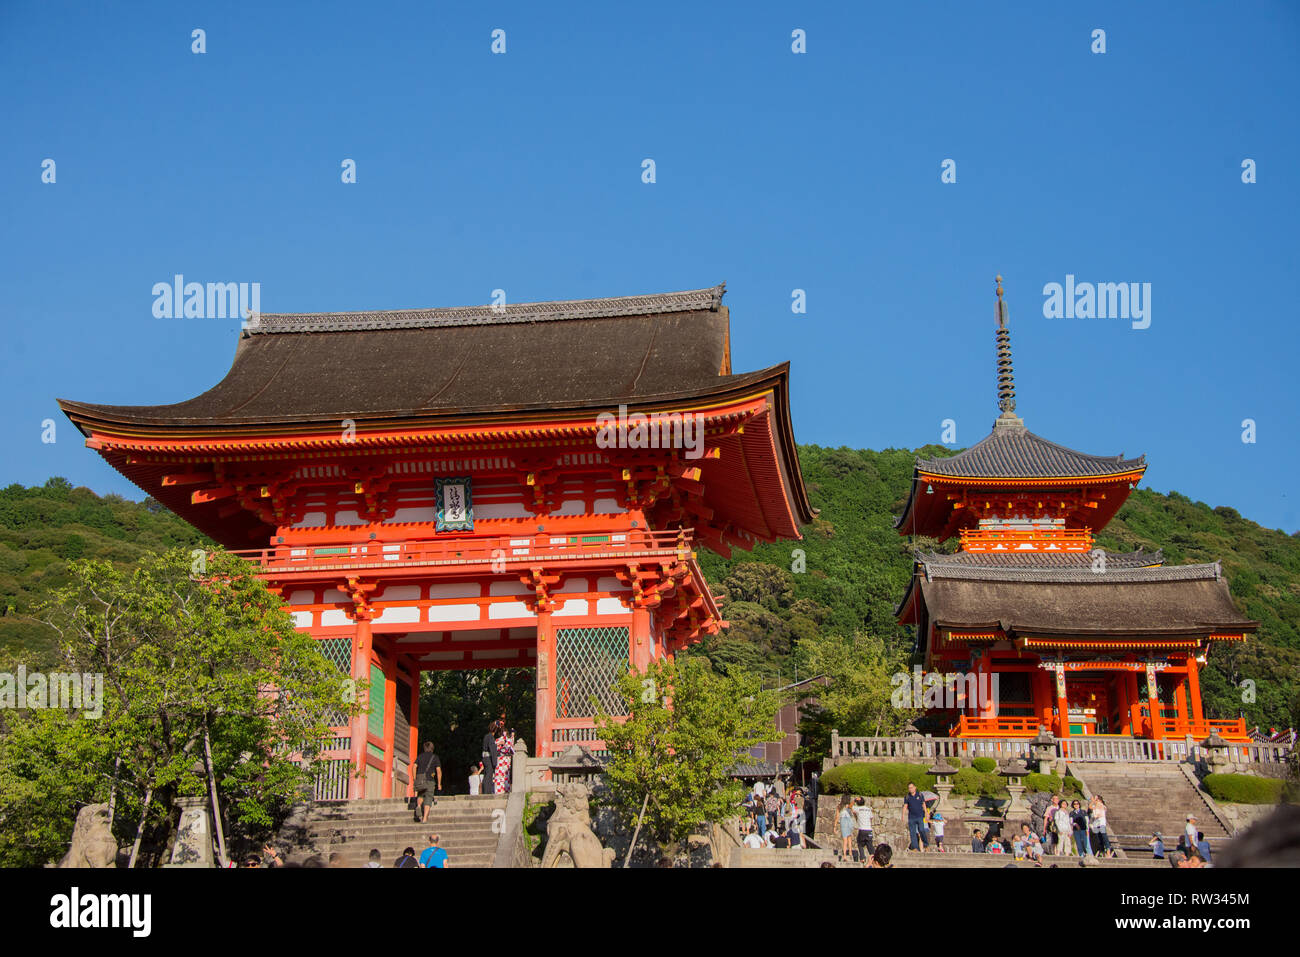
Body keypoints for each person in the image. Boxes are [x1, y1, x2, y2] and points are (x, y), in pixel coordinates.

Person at [413, 741, 441, 823]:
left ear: (424, 748)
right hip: (430, 780)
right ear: (432, 748)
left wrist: (415, 778)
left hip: (420, 779)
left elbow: (414, 766)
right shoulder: (435, 757)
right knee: (428, 798)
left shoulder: (420, 756)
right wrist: (439, 783)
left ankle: (418, 805)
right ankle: (425, 818)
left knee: (421, 795)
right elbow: (438, 770)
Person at [903, 782, 928, 852]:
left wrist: (926, 813)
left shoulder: (920, 795)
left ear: (915, 787)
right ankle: (915, 847)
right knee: (912, 833)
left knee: (922, 830)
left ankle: (926, 844)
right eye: (909, 788)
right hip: (911, 817)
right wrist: (903, 815)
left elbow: (923, 804)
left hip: (919, 816)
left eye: (911, 787)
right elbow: (905, 806)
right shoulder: (907, 797)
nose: (910, 789)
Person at [493, 725, 515, 794]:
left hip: (501, 758)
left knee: (501, 775)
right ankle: (505, 790)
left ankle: (500, 790)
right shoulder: (508, 740)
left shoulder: (498, 740)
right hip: (505, 759)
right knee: (505, 775)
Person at [481, 721, 500, 795]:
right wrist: (495, 762)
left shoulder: (486, 736)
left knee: (486, 774)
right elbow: (492, 750)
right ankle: (487, 792)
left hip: (484, 758)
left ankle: (485, 791)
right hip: (489, 758)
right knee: (489, 775)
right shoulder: (491, 737)